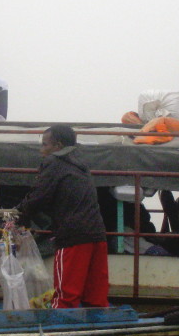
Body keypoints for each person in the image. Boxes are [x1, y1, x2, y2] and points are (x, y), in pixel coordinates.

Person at [15, 126, 109, 309]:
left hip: (72, 236)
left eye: (44, 145)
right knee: (96, 296)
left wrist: (17, 213)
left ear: (57, 146)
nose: (41, 150)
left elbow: (40, 196)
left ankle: (58, 334)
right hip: (97, 234)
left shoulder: (54, 162)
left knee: (66, 297)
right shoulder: (80, 163)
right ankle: (95, 331)